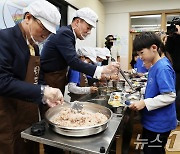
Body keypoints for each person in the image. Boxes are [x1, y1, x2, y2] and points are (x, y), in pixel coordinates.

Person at [40, 7, 120, 154]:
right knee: (51, 120)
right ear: (77, 22)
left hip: (56, 80)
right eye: (88, 28)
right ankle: (52, 150)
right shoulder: (65, 33)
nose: (89, 32)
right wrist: (101, 70)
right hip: (49, 81)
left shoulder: (69, 35)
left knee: (55, 115)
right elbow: (74, 62)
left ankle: (55, 149)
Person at [0, 1, 63, 154]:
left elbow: (37, 76)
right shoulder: (4, 38)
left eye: (49, 32)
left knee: (29, 146)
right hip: (8, 111)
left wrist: (46, 94)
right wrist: (41, 91)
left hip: (27, 112)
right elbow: (2, 81)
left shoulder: (34, 47)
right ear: (28, 17)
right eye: (43, 28)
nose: (45, 35)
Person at [129, 32, 177, 154]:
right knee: (148, 149)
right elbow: (154, 86)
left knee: (154, 150)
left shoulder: (162, 67)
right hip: (152, 121)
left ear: (154, 48)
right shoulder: (155, 66)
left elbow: (170, 96)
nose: (140, 57)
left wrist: (145, 102)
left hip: (160, 123)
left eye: (141, 53)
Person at [165, 25, 180, 121]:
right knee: (174, 93)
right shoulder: (172, 39)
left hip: (176, 70)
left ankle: (177, 117)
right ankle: (175, 116)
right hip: (175, 70)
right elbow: (167, 50)